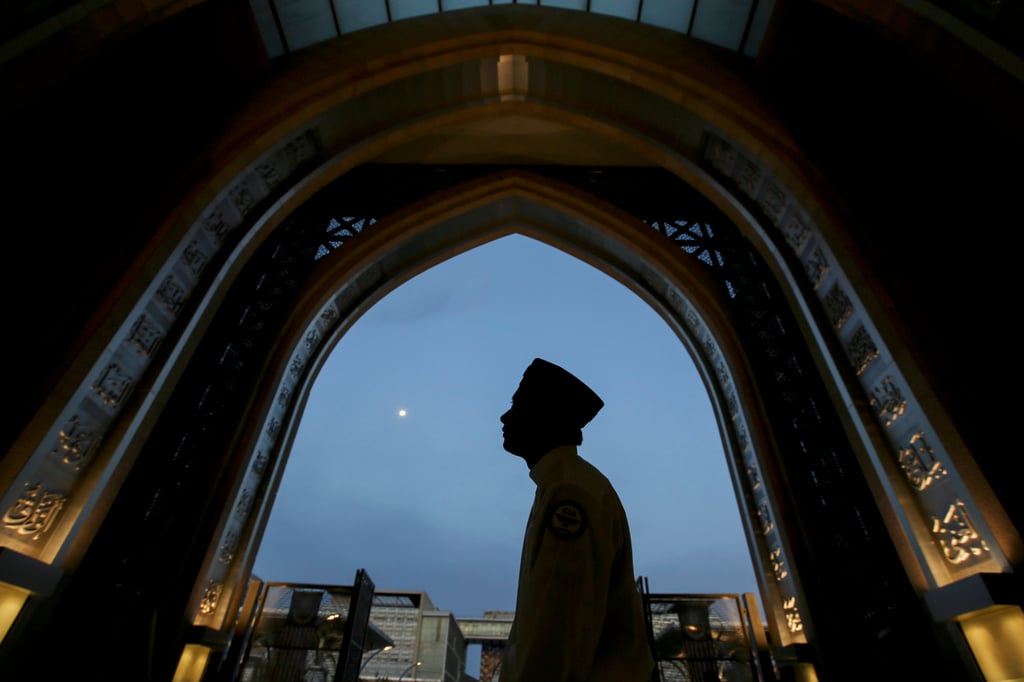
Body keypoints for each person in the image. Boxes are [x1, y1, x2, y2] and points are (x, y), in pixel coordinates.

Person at [499, 358, 655, 682]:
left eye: (517, 405)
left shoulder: (568, 492)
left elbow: (555, 632)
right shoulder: (567, 485)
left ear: (543, 417)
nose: (505, 416)